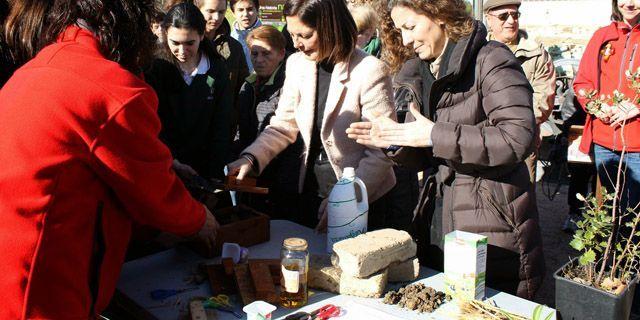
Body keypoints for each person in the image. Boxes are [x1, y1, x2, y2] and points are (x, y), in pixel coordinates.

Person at [0, 0, 218, 318]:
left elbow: (86, 153)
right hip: (44, 289)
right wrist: (200, 219)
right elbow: (156, 195)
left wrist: (166, 163)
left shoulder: (40, 67)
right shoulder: (110, 86)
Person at [347, 0, 544, 299]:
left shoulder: (491, 59)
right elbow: (428, 152)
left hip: (493, 221)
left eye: (411, 27)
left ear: (439, 14)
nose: (406, 40)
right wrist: (395, 141)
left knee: (490, 306)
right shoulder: (423, 71)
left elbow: (517, 137)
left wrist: (434, 134)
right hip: (439, 215)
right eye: (399, 31)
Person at [227, 0, 396, 230]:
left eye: (305, 36)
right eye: (292, 35)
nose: (297, 44)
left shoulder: (369, 70)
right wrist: (251, 158)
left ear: (330, 27)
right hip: (309, 186)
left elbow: (380, 150)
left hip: (358, 191)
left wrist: (347, 196)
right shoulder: (297, 64)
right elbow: (283, 124)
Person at [145, 3, 232, 181]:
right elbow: (150, 123)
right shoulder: (155, 68)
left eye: (190, 43)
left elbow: (222, 124)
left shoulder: (217, 69)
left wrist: (215, 174)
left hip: (204, 172)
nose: (182, 51)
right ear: (165, 34)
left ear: (201, 36)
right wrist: (172, 161)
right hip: (165, 168)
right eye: (175, 43)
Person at [573, 0, 640, 213]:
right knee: (608, 211)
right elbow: (582, 82)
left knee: (633, 212)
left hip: (637, 145)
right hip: (604, 140)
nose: (629, 3)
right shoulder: (602, 36)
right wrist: (596, 107)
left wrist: (637, 106)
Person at [484, 0, 556, 184]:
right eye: (503, 16)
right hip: (485, 139)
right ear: (488, 19)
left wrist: (517, 125)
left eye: (515, 15)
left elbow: (544, 96)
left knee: (523, 198)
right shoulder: (477, 51)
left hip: (523, 138)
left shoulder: (536, 54)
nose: (511, 21)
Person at [236, 25, 303, 219]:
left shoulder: (289, 88)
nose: (259, 60)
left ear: (282, 53)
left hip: (279, 179)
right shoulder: (248, 85)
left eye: (266, 54)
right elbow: (241, 128)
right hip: (250, 170)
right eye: (254, 53)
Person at [195, 0, 250, 135]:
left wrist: (233, 117)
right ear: (198, 9)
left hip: (224, 129)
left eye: (221, 12)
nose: (217, 18)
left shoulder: (234, 48)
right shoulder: (185, 45)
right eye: (210, 11)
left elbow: (242, 88)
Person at [230, 0, 262, 72]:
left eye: (250, 9)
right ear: (233, 13)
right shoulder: (228, 38)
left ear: (257, 10)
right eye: (240, 10)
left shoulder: (269, 37)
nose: (245, 14)